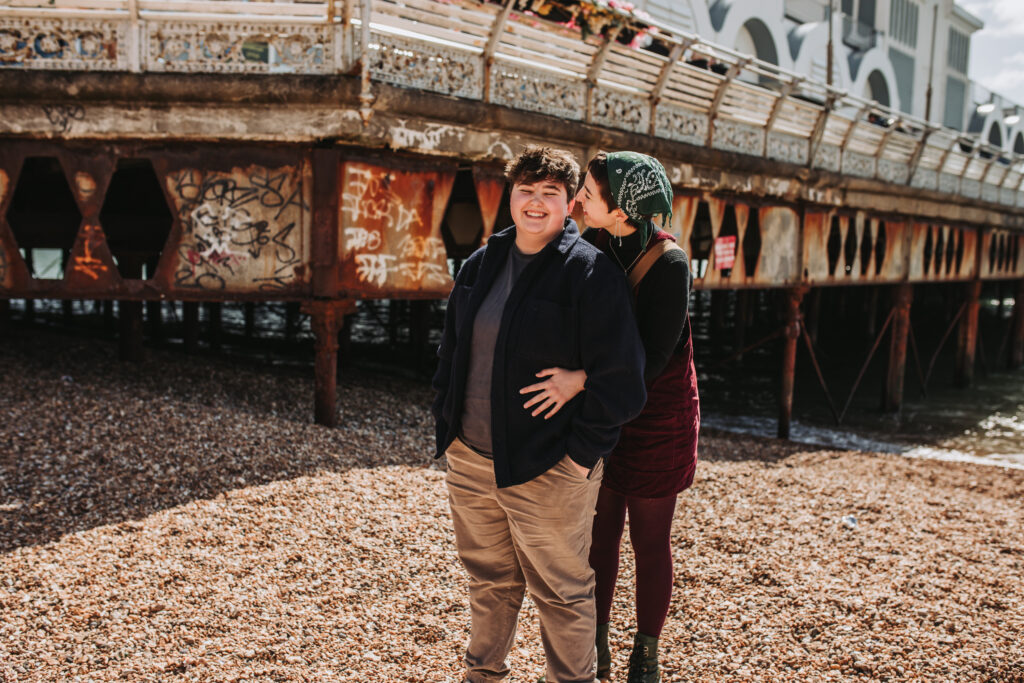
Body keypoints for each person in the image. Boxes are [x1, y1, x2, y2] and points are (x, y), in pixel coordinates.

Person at [432, 145, 648, 683]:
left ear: (570, 203)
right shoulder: (481, 264)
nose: (535, 202)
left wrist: (578, 460)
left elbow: (623, 381)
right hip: (472, 459)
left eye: (549, 193)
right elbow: (452, 350)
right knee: (488, 579)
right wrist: (448, 429)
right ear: (509, 194)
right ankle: (483, 674)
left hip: (548, 466)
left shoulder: (591, 274)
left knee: (562, 590)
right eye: (525, 190)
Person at [519, 152, 699, 682]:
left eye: (589, 196)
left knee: (649, 539)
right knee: (597, 536)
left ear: (621, 212)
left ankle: (646, 653)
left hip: (656, 415)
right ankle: (595, 642)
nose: (576, 202)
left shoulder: (670, 264)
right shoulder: (595, 240)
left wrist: (579, 380)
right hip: (601, 410)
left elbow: (652, 360)